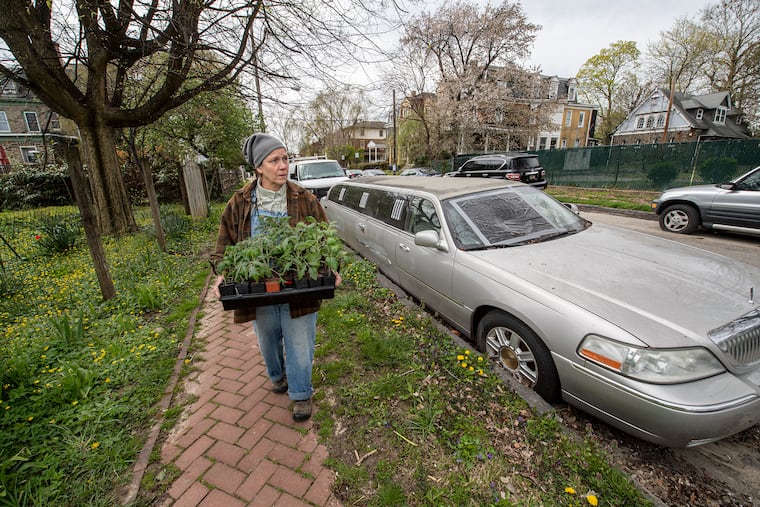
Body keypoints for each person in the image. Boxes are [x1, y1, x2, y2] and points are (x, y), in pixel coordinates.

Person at [210, 133, 340, 421]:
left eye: (285, 159)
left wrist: (333, 268)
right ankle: (277, 375)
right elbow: (225, 243)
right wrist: (222, 273)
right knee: (267, 339)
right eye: (274, 160)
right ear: (258, 167)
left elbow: (324, 238)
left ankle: (301, 393)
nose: (283, 166)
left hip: (299, 285)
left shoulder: (303, 198)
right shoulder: (241, 201)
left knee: (300, 341)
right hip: (259, 287)